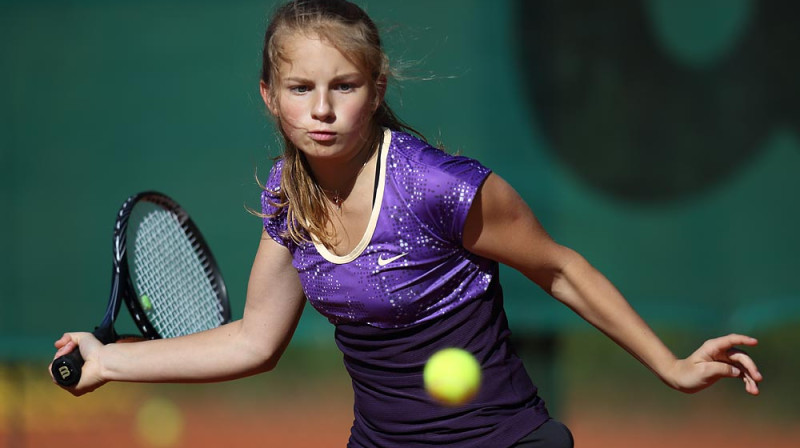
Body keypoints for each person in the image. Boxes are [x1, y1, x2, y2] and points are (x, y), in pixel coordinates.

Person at [51, 1, 762, 446]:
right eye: (300, 88)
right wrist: (110, 361)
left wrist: (670, 365)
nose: (322, 109)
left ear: (377, 89)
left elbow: (560, 268)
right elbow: (255, 339)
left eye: (345, 86)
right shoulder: (287, 198)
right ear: (270, 97)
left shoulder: (441, 189)